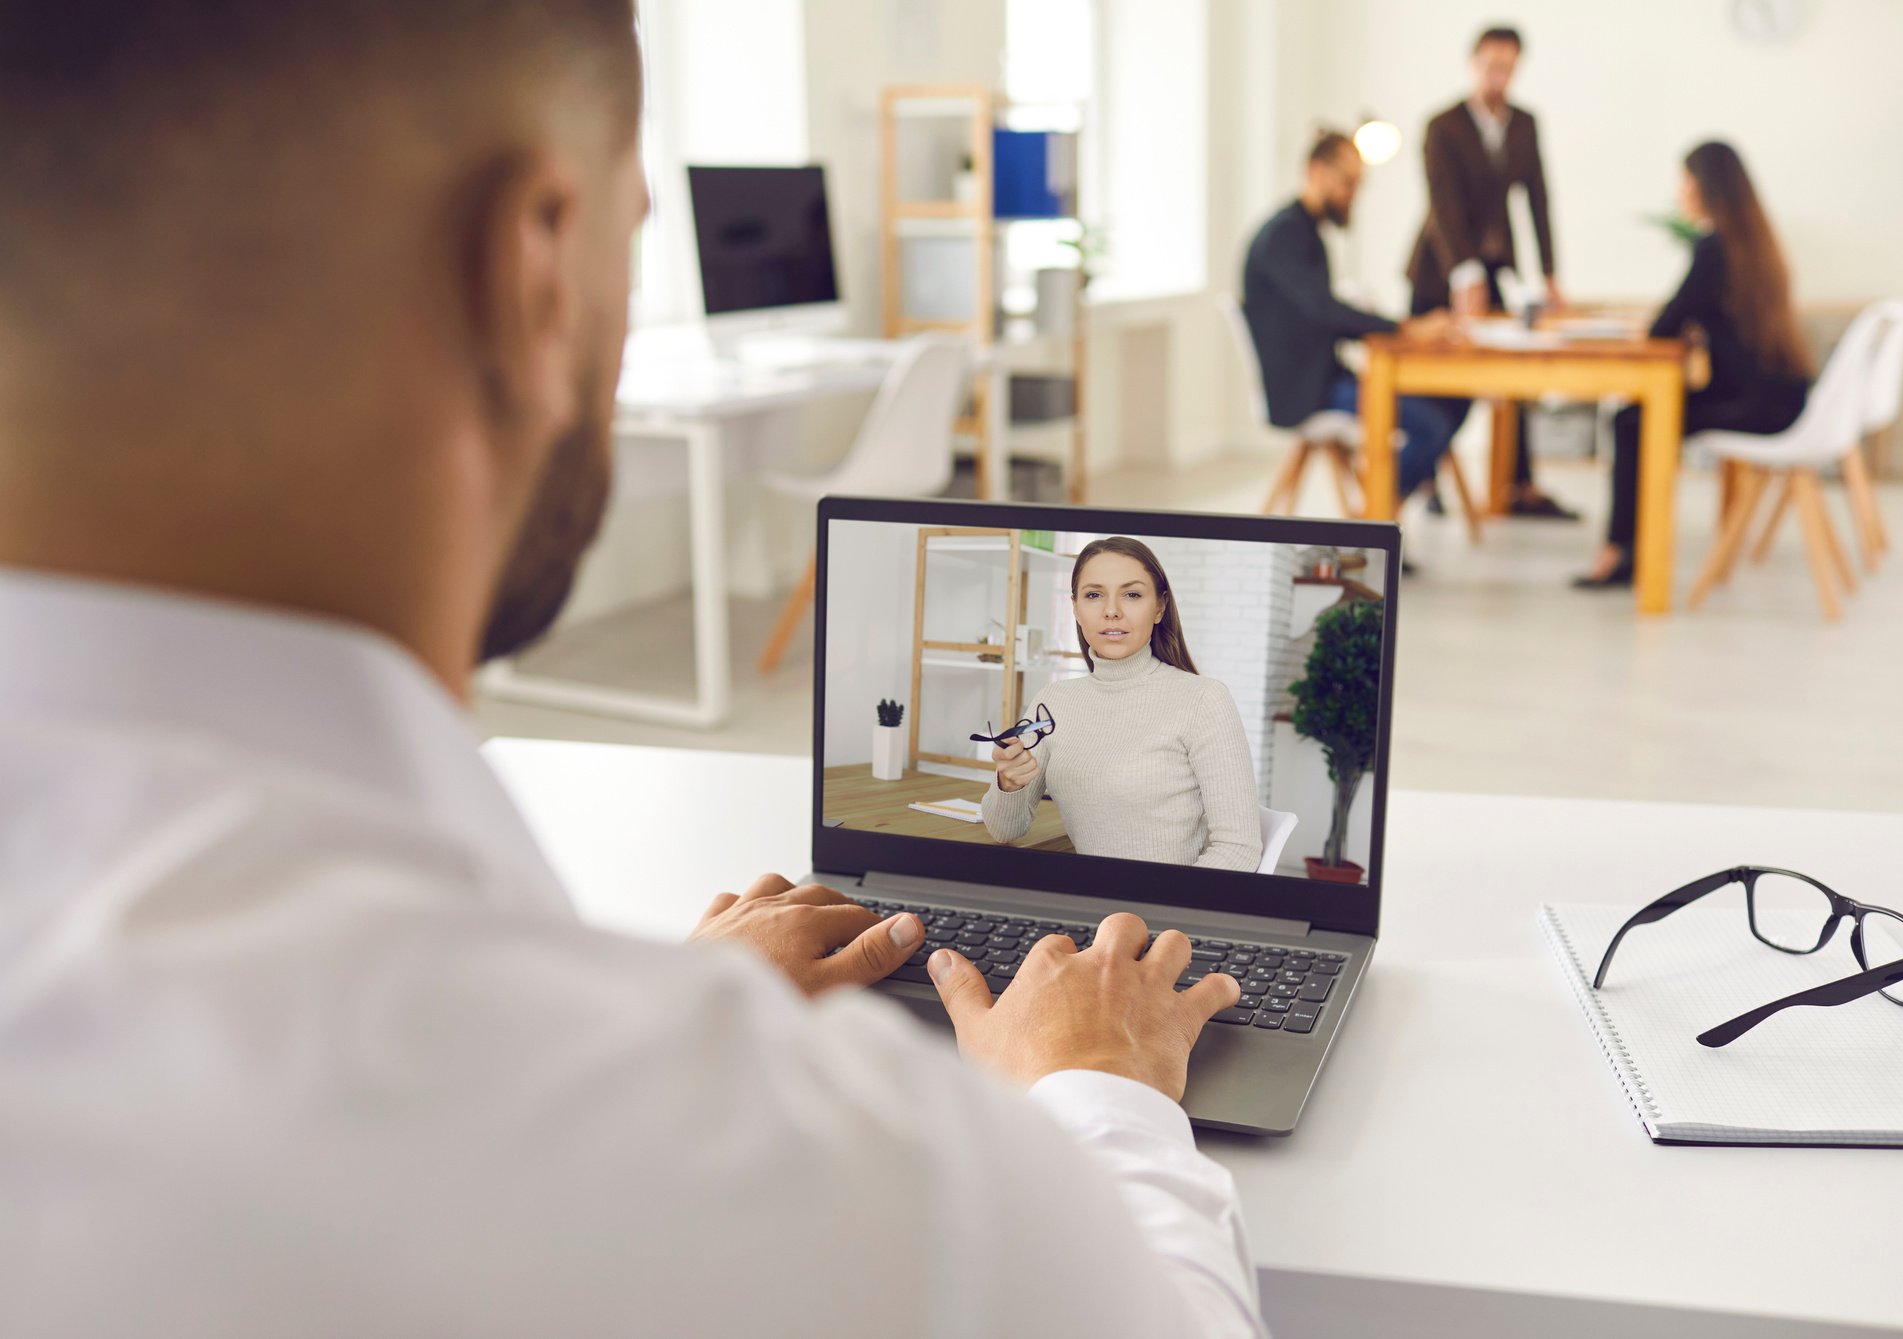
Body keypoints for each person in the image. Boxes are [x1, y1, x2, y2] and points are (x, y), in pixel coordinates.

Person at [0, 4, 1261, 1336]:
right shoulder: (893, 1202)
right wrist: (1106, 1096)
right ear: (535, 266)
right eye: (633, 228)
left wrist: (682, 1005)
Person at [1574, 142, 1813, 589]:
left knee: (1631, 422)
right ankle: (1627, 547)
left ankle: (1620, 550)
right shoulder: (1750, 241)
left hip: (1758, 406)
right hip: (1778, 394)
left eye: (1684, 179)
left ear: (1705, 186)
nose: (1679, 191)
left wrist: (1681, 327)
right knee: (1633, 419)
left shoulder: (1714, 247)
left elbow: (1665, 325)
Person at [982, 538, 1262, 871]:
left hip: (1170, 913)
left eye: (1132, 594)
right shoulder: (1054, 701)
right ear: (1075, 607)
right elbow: (1005, 831)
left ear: (1159, 607)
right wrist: (1009, 784)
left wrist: (1156, 908)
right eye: (1094, 595)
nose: (1111, 610)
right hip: (1096, 907)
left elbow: (1239, 849)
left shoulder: (1203, 699)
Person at [1242, 127, 1464, 510]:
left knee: (1448, 402)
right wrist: (1405, 328)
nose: (1353, 194)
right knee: (1431, 425)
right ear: (1315, 170)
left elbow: (1323, 311)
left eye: (1359, 184)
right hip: (1305, 391)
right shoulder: (1285, 235)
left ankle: (1375, 515)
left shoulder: (1305, 231)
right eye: (1347, 182)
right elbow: (1325, 311)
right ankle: (1376, 517)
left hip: (1324, 378)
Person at [1406, 25, 1577, 520]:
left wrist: (1548, 272)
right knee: (1433, 382)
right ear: (1473, 65)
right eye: (1490, 65)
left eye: (1507, 67)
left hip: (1500, 265)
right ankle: (1426, 480)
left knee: (1518, 370)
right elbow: (1444, 205)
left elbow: (1539, 199)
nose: (1498, 75)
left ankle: (1517, 484)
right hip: (1439, 271)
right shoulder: (1443, 125)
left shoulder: (1524, 124)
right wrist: (1464, 273)